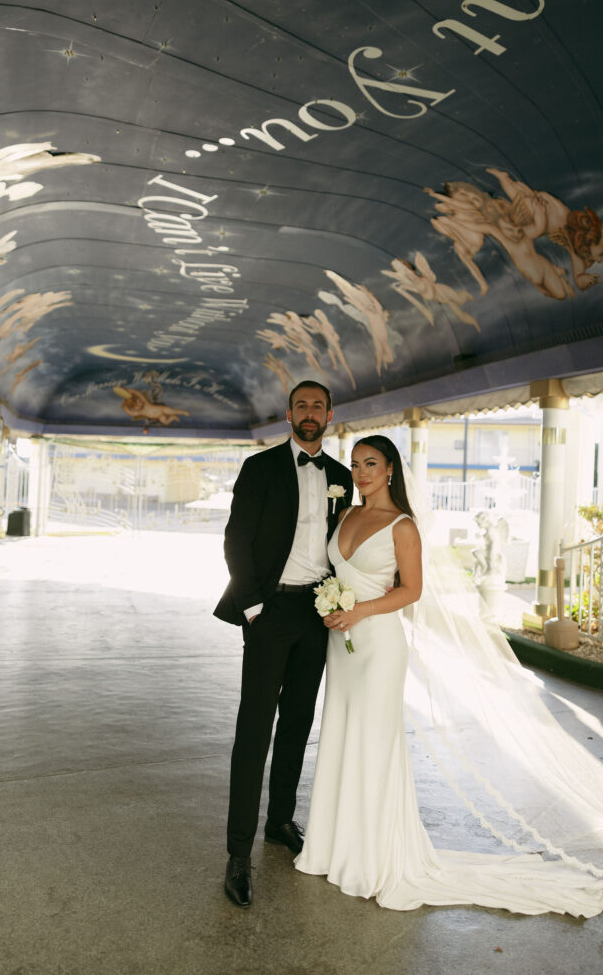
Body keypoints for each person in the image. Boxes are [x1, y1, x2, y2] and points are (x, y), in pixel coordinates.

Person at [294, 434, 603, 917]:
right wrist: (334, 608)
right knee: (340, 735)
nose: (360, 472)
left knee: (374, 743)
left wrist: (360, 610)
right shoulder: (345, 515)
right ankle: (332, 846)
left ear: (390, 471)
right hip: (342, 646)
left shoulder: (403, 527)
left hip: (378, 645)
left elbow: (413, 591)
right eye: (356, 464)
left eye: (371, 464)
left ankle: (373, 855)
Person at [214, 380, 353, 908]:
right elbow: (236, 540)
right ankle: (236, 855)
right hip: (268, 611)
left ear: (330, 415)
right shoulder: (261, 468)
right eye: (302, 406)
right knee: (254, 729)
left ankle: (279, 822)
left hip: (316, 614)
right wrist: (253, 607)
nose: (310, 413)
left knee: (298, 722)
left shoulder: (341, 477)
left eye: (319, 406)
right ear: (288, 414)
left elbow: (345, 546)